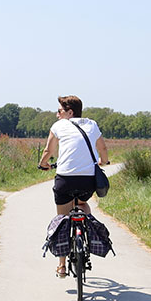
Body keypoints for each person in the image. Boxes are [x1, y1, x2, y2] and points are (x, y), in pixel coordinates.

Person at [38, 95, 109, 278]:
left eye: (60, 111)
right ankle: (88, 232)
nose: (57, 115)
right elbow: (103, 149)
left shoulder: (58, 126)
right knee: (82, 204)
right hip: (87, 181)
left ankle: (61, 265)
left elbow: (49, 151)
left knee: (62, 217)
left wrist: (43, 163)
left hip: (65, 179)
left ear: (70, 112)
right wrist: (104, 161)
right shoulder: (92, 124)